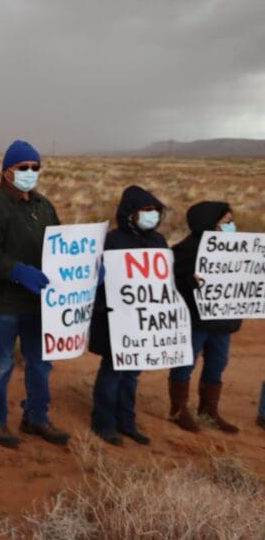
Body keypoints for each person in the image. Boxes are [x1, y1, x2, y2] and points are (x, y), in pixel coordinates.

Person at [0, 140, 69, 449]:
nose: (30, 172)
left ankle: (36, 417)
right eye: (23, 167)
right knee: (0, 363)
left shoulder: (44, 207)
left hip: (41, 302)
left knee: (40, 363)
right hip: (4, 303)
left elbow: (61, 244)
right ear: (6, 171)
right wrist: (17, 271)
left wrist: (82, 269)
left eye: (35, 168)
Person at [87, 186, 166, 446]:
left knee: (132, 373)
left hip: (143, 322)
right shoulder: (112, 240)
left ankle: (127, 422)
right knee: (112, 372)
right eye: (146, 210)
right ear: (131, 213)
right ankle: (104, 422)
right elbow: (96, 280)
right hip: (115, 320)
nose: (152, 215)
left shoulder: (159, 241)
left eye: (155, 210)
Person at [168, 201, 243, 434]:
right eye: (227, 222)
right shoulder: (186, 250)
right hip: (196, 320)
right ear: (210, 223)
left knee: (218, 362)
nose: (232, 226)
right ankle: (178, 410)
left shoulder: (237, 248)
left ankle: (209, 411)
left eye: (232, 222)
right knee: (185, 362)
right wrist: (190, 282)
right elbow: (173, 284)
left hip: (223, 320)